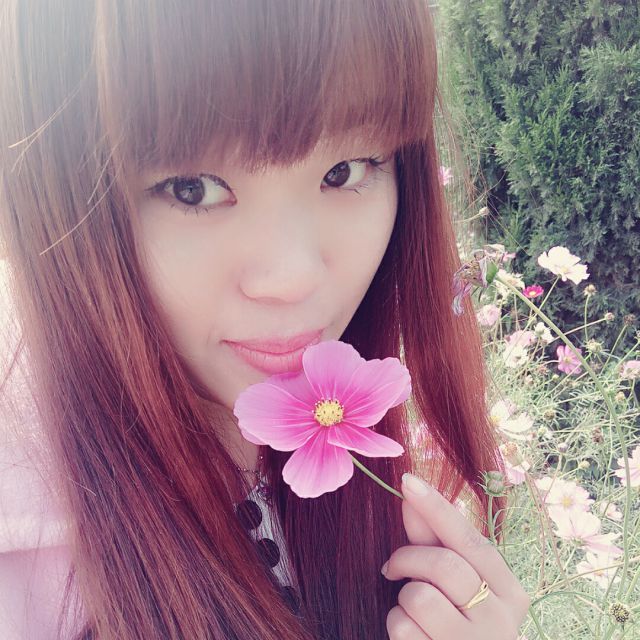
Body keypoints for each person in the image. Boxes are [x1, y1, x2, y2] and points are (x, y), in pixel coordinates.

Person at [0, 1, 530, 638]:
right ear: (49, 195)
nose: (291, 279)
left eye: (344, 171)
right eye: (192, 188)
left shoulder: (365, 455)